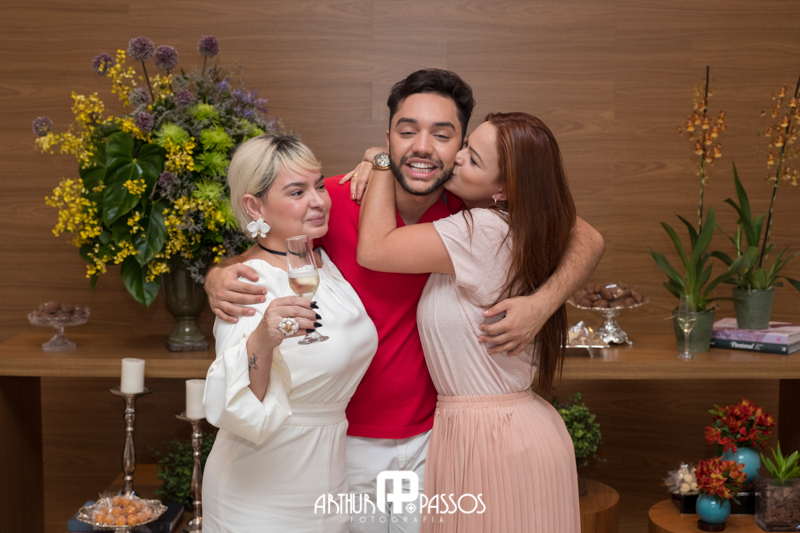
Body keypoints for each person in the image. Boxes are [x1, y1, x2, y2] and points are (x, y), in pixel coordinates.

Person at [205, 69, 604, 532]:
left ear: (461, 148)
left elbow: (585, 235)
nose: (422, 147)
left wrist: (542, 303)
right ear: (388, 138)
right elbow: (268, 246)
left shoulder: (469, 207)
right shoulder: (330, 199)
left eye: (443, 135)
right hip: (344, 445)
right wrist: (217, 276)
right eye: (407, 131)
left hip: (436, 440)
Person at [357, 111, 581, 532]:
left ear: (503, 190)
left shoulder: (483, 229)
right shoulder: (526, 225)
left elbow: (374, 249)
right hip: (500, 430)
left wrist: (381, 160)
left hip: (492, 438)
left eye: (473, 160)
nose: (457, 158)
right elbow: (588, 235)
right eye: (464, 148)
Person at [201, 135, 379, 533]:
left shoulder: (324, 264)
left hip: (328, 485)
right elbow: (238, 406)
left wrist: (375, 159)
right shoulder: (246, 283)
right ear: (254, 206)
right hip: (260, 493)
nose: (318, 201)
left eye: (319, 186)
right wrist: (263, 341)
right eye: (297, 192)